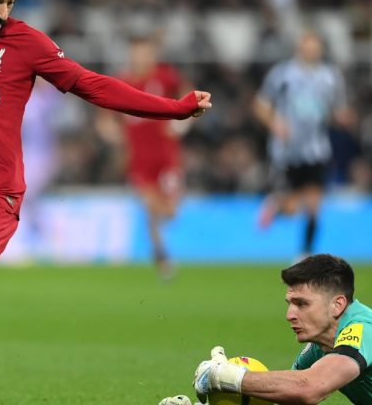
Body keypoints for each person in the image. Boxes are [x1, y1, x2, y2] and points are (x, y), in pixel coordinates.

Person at [0, 0, 212, 404]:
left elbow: (94, 85)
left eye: (10, 2)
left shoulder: (26, 43)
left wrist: (175, 109)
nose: (2, 13)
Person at [193, 254, 372, 404]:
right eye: (290, 304)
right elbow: (289, 396)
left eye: (301, 303)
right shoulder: (318, 349)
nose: (289, 315)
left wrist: (220, 376)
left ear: (337, 305)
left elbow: (309, 387)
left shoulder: (364, 329)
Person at [95, 33, 193, 278]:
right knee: (150, 206)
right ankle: (161, 255)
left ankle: (159, 248)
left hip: (167, 156)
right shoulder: (122, 82)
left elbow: (189, 94)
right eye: (137, 53)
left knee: (170, 211)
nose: (141, 57)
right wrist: (115, 135)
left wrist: (182, 123)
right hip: (138, 160)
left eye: (146, 53)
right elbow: (104, 119)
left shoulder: (165, 77)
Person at [252, 30, 355, 258]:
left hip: (316, 149)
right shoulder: (282, 74)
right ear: (299, 48)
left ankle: (305, 253)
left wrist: (342, 118)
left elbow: (336, 109)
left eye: (315, 46)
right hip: (287, 150)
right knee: (291, 209)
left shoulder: (330, 76)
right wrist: (274, 123)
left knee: (314, 204)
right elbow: (260, 105)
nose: (311, 50)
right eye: (307, 46)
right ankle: (277, 205)